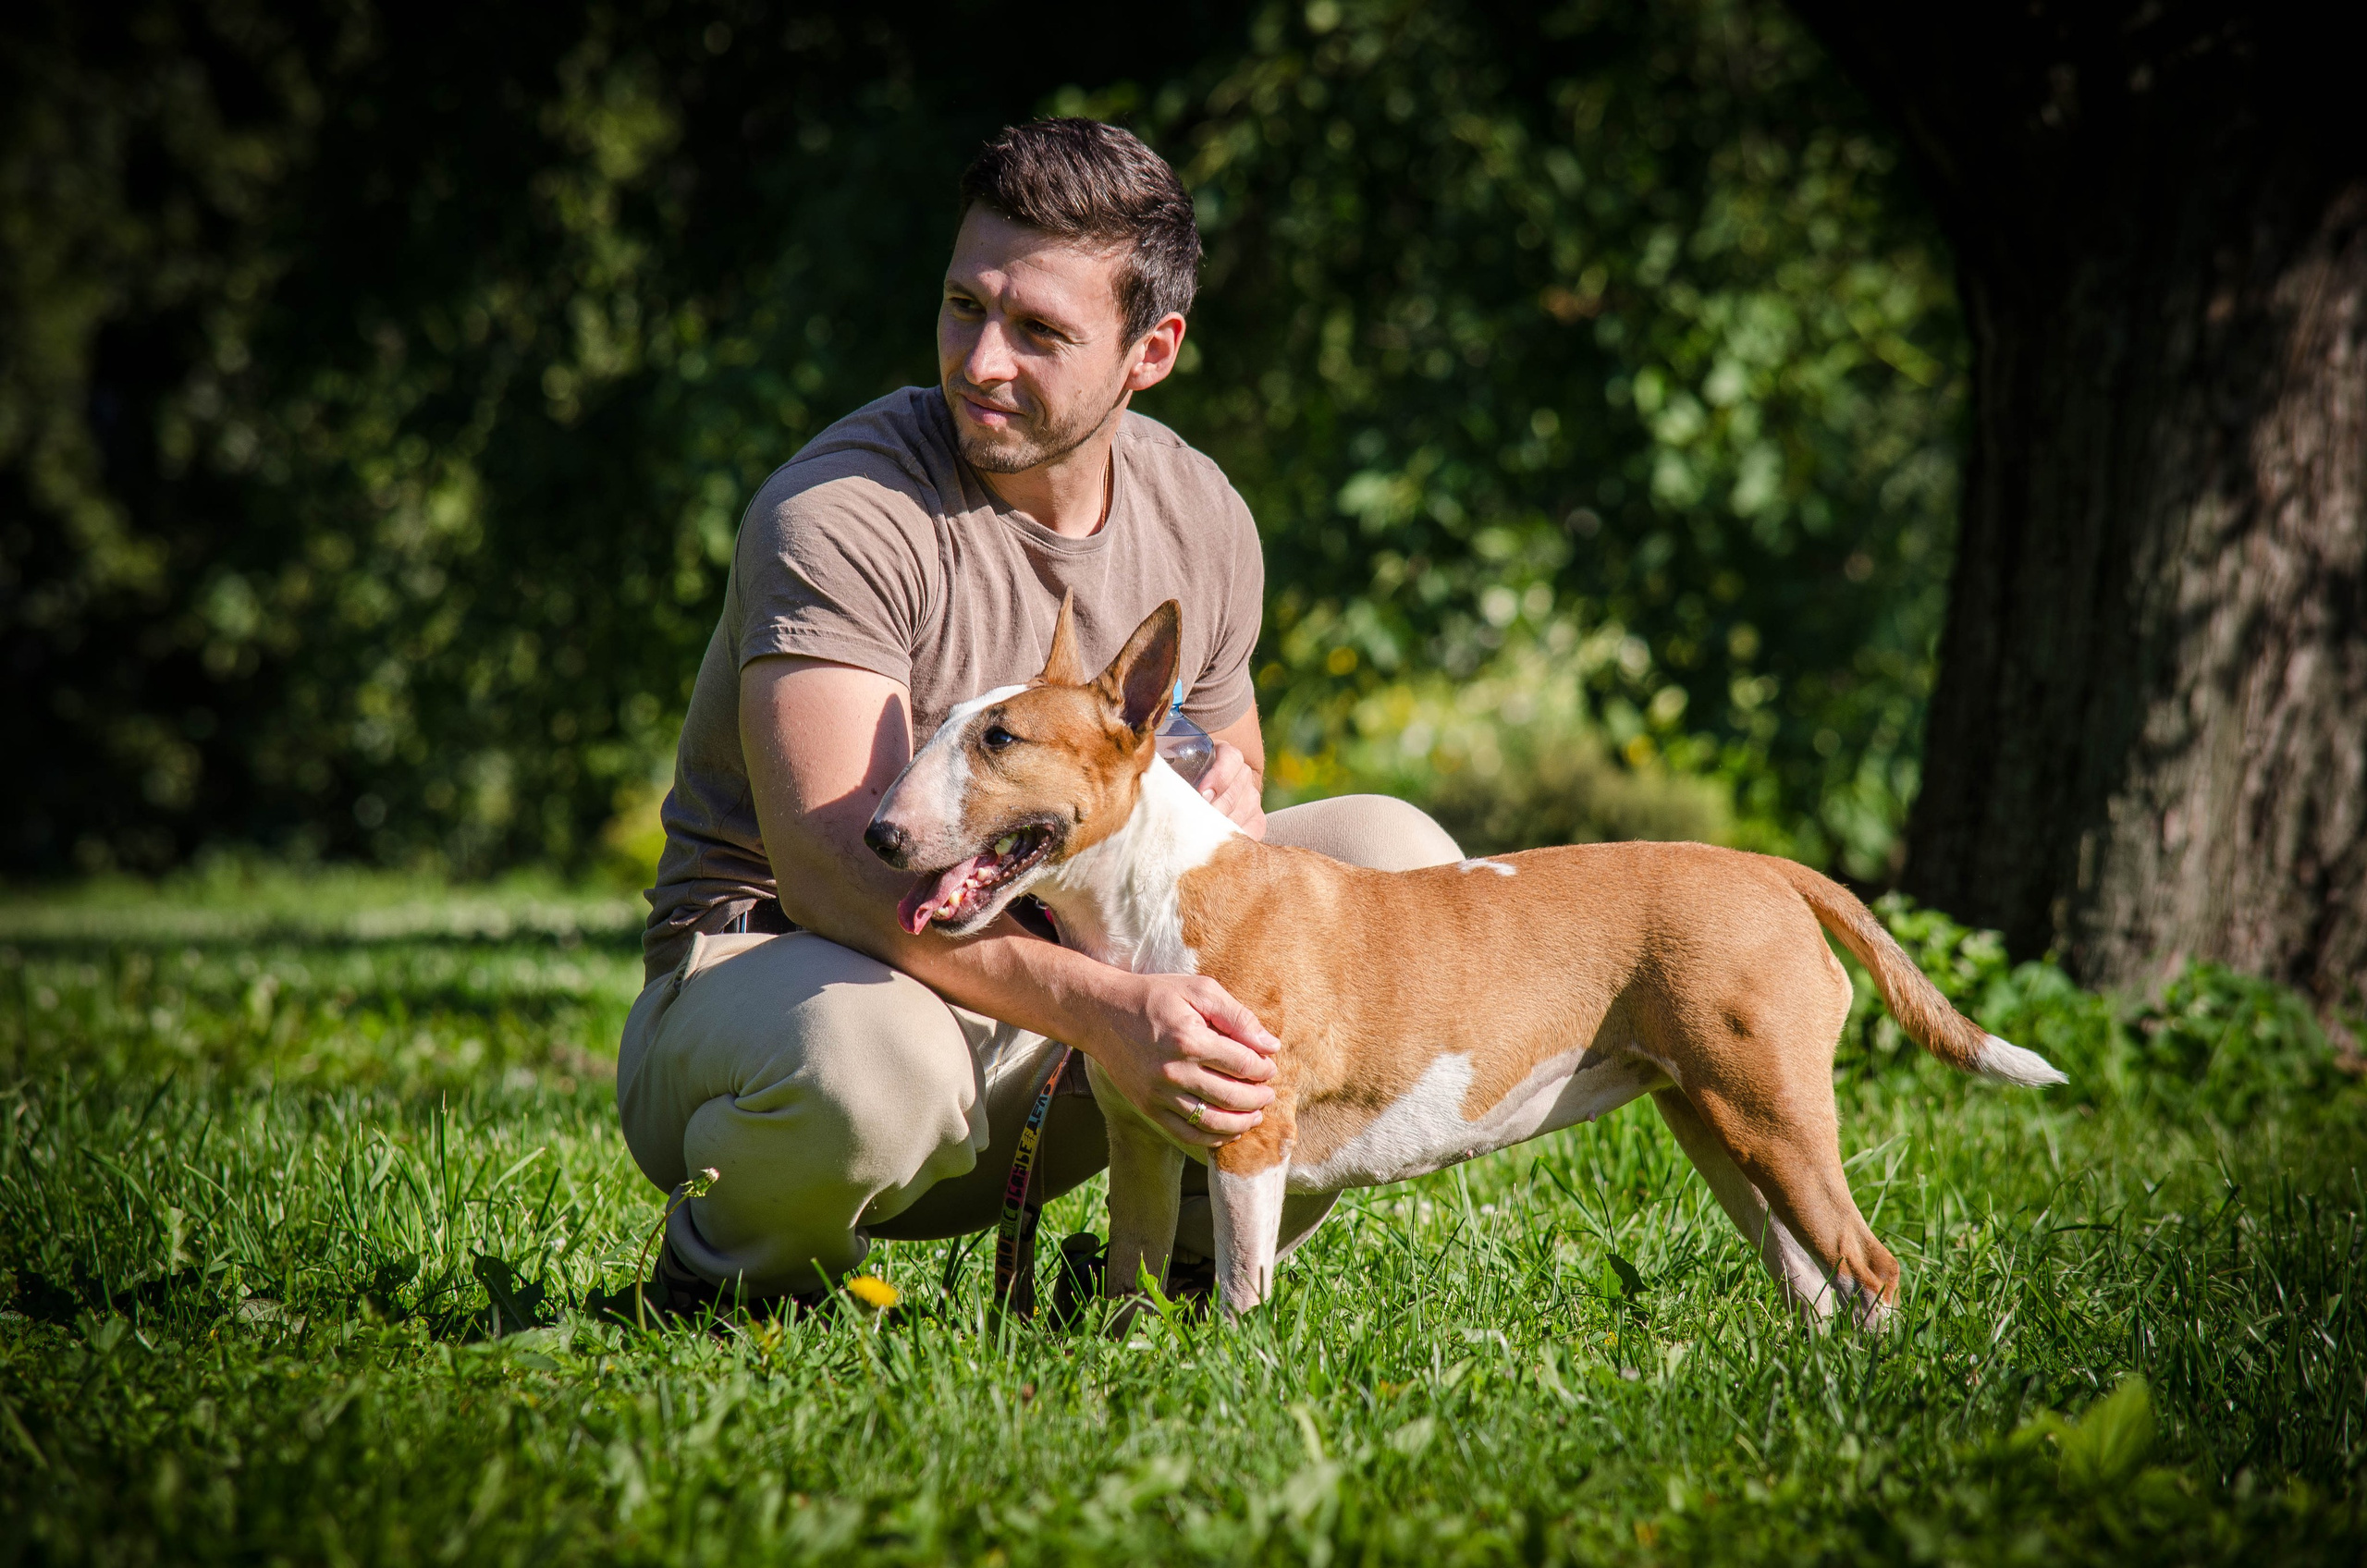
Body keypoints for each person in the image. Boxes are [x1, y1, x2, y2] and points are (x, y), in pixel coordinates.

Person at [617, 117, 1461, 1312]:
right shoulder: (842, 513)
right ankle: (723, 1282)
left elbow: (1232, 767)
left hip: (1074, 1026)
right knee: (870, 1064)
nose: (981, 360)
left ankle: (1153, 1281)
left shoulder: (1201, 514)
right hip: (804, 990)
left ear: (1150, 351)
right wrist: (1117, 1014)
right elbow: (829, 868)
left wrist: (1237, 800)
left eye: (1039, 331)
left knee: (1398, 866)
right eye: (966, 306)